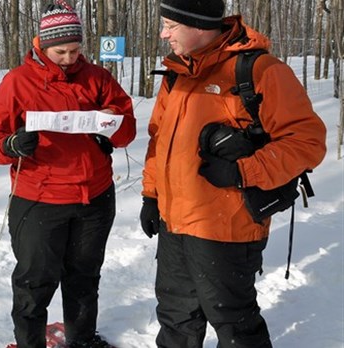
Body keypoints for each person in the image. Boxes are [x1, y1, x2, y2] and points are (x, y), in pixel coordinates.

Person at [139, 0, 327, 347]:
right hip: (173, 224)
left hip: (226, 226)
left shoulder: (259, 71)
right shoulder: (177, 73)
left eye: (170, 25)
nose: (163, 33)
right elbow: (158, 140)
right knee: (175, 319)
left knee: (234, 325)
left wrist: (242, 171)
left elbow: (307, 142)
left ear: (197, 24)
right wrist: (151, 196)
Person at [0, 1, 136, 346]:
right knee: (35, 281)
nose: (68, 58)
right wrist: (11, 145)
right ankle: (29, 342)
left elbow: (127, 132)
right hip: (39, 199)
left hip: (94, 197)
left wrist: (109, 123)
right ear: (42, 45)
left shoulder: (97, 77)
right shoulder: (18, 83)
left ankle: (81, 339)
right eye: (60, 51)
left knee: (83, 278)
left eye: (75, 50)